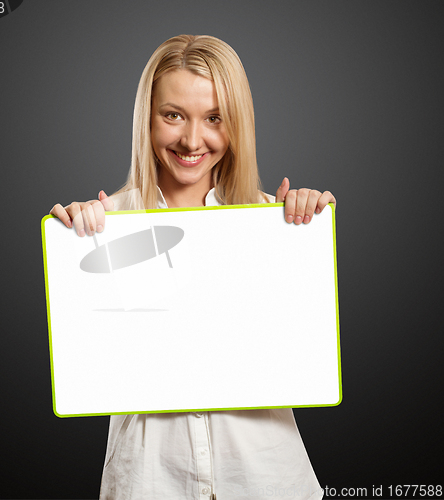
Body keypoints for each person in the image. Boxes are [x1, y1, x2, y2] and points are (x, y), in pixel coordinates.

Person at [50, 34, 335, 500]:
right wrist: (77, 246)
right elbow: (91, 363)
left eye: (214, 118)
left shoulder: (275, 221)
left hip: (265, 474)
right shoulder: (103, 228)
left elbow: (301, 345)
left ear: (236, 124)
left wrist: (306, 229)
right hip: (148, 477)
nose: (191, 140)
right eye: (173, 115)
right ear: (148, 118)